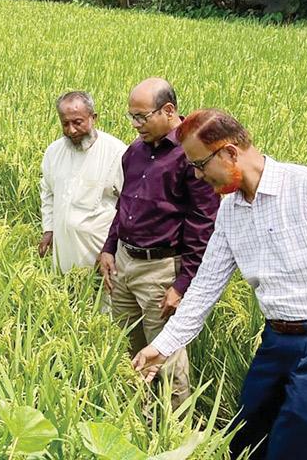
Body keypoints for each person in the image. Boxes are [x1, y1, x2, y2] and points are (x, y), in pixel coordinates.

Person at [133, 109, 307, 459]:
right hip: (276, 342)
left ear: (229, 153)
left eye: (200, 164)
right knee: (244, 440)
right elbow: (206, 285)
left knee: (295, 450)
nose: (196, 174)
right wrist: (162, 347)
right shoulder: (231, 211)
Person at [97, 78, 220, 408]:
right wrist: (110, 248)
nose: (136, 125)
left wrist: (182, 284)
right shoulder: (135, 152)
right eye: (131, 117)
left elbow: (203, 224)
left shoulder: (191, 155)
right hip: (124, 264)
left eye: (142, 117)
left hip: (161, 270)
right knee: (126, 350)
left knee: (166, 358)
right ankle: (137, 419)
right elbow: (125, 204)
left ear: (169, 111)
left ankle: (175, 432)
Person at [38, 91, 126, 275]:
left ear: (93, 118)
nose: (71, 130)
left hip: (100, 253)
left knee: (98, 300)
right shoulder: (53, 152)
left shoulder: (116, 153)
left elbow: (128, 204)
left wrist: (110, 249)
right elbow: (47, 193)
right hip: (63, 250)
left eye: (77, 122)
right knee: (64, 295)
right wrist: (48, 229)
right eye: (65, 124)